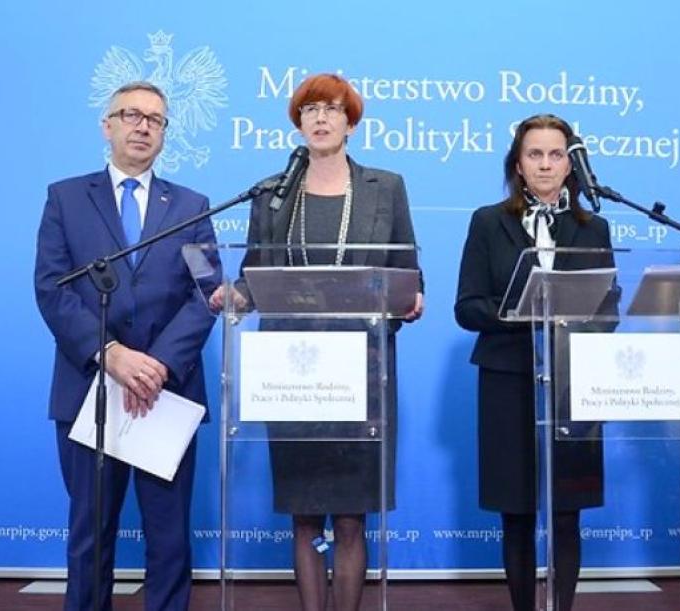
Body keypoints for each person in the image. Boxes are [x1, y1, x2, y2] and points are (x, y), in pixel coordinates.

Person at [214, 73, 423, 611]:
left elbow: (407, 268)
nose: (321, 118)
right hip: (293, 369)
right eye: (310, 110)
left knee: (351, 516)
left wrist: (411, 296)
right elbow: (255, 273)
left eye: (332, 109)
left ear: (351, 123)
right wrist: (236, 295)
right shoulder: (272, 192)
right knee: (304, 514)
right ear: (299, 122)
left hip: (363, 367)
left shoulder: (386, 187)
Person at [35, 81, 217, 611]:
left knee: (169, 536)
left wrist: (157, 364)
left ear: (164, 133)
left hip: (166, 391)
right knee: (90, 534)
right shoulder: (66, 198)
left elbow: (207, 291)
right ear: (107, 125)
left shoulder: (191, 205)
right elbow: (52, 287)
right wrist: (111, 353)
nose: (143, 126)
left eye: (155, 119)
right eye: (131, 115)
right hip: (89, 389)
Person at [454, 114, 615, 611]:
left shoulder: (594, 227)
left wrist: (574, 318)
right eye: (534, 154)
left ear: (571, 165)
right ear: (518, 165)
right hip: (508, 381)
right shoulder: (488, 221)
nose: (546, 164)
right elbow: (467, 307)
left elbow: (608, 311)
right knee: (517, 511)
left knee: (567, 512)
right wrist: (524, 313)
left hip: (573, 383)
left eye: (556, 154)